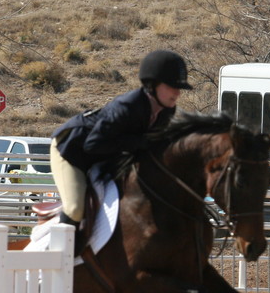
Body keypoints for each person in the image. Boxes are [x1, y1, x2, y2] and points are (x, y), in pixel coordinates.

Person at [50, 49, 192, 230]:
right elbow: (93, 144)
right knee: (76, 208)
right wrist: (139, 142)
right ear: (153, 84)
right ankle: (61, 253)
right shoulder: (126, 106)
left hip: (104, 157)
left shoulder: (167, 110)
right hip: (71, 150)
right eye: (172, 86)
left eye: (179, 88)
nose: (178, 93)